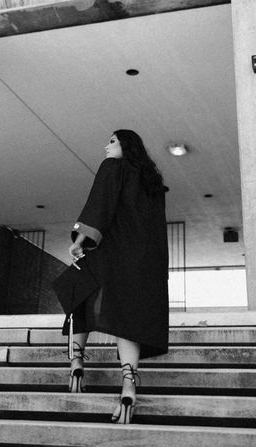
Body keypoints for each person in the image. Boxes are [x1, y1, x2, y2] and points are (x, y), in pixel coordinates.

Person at [62, 129, 169, 424]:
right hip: (144, 261)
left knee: (80, 296)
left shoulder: (113, 167)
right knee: (129, 319)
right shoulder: (153, 183)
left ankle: (76, 360)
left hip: (110, 253)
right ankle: (128, 381)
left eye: (111, 141)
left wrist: (80, 241)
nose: (106, 146)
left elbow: (100, 205)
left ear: (126, 144)